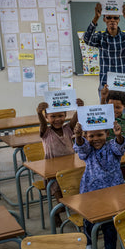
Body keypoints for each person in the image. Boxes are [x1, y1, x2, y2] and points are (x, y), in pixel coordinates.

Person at [73, 121, 125, 249]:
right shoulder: (87, 149)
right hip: (91, 192)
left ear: (107, 134)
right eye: (91, 136)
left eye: (100, 135)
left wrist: (119, 135)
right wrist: (78, 136)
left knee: (110, 223)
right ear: (86, 136)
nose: (95, 139)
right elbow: (81, 149)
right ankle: (90, 248)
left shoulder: (112, 147)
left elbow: (120, 148)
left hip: (112, 192)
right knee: (89, 222)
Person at [83, 2, 125, 113]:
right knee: (107, 116)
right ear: (104, 19)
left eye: (115, 17)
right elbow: (87, 39)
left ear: (119, 19)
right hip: (106, 85)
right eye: (109, 17)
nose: (112, 20)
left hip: (124, 84)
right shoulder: (100, 37)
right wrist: (95, 17)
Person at [36, 97, 83, 227]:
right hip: (53, 172)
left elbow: (75, 119)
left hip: (70, 168)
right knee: (61, 199)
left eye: (61, 116)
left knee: (72, 193)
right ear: (47, 117)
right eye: (53, 116)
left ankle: (62, 208)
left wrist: (80, 107)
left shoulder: (68, 129)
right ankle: (56, 211)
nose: (57, 119)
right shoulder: (46, 132)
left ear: (65, 115)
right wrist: (39, 113)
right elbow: (42, 124)